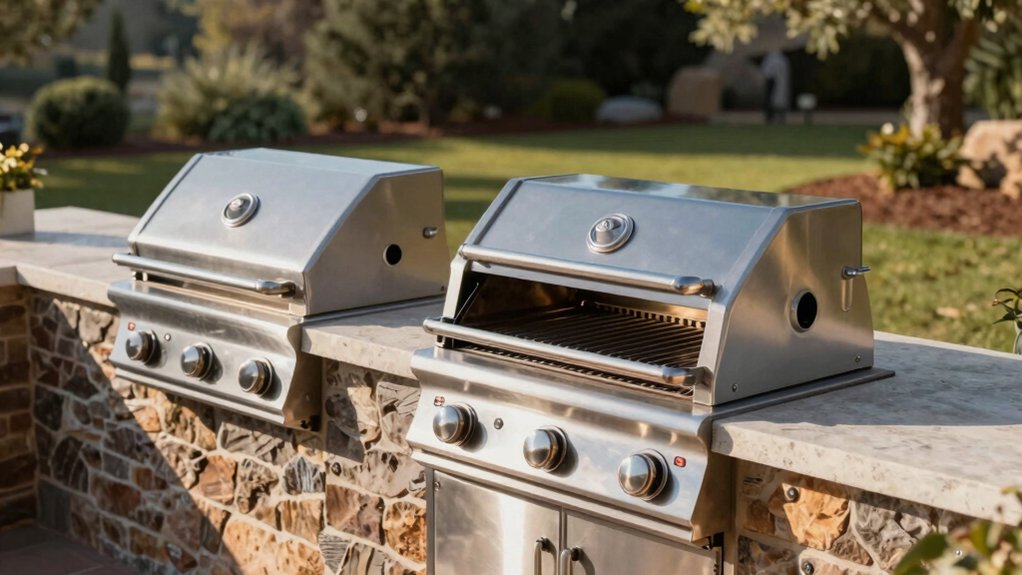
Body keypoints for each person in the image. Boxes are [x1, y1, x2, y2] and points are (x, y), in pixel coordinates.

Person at [760, 49, 790, 124]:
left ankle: (773, 117)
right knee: (774, 99)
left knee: (773, 99)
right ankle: (772, 117)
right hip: (774, 81)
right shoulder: (782, 60)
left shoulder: (771, 59)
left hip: (773, 81)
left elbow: (765, 71)